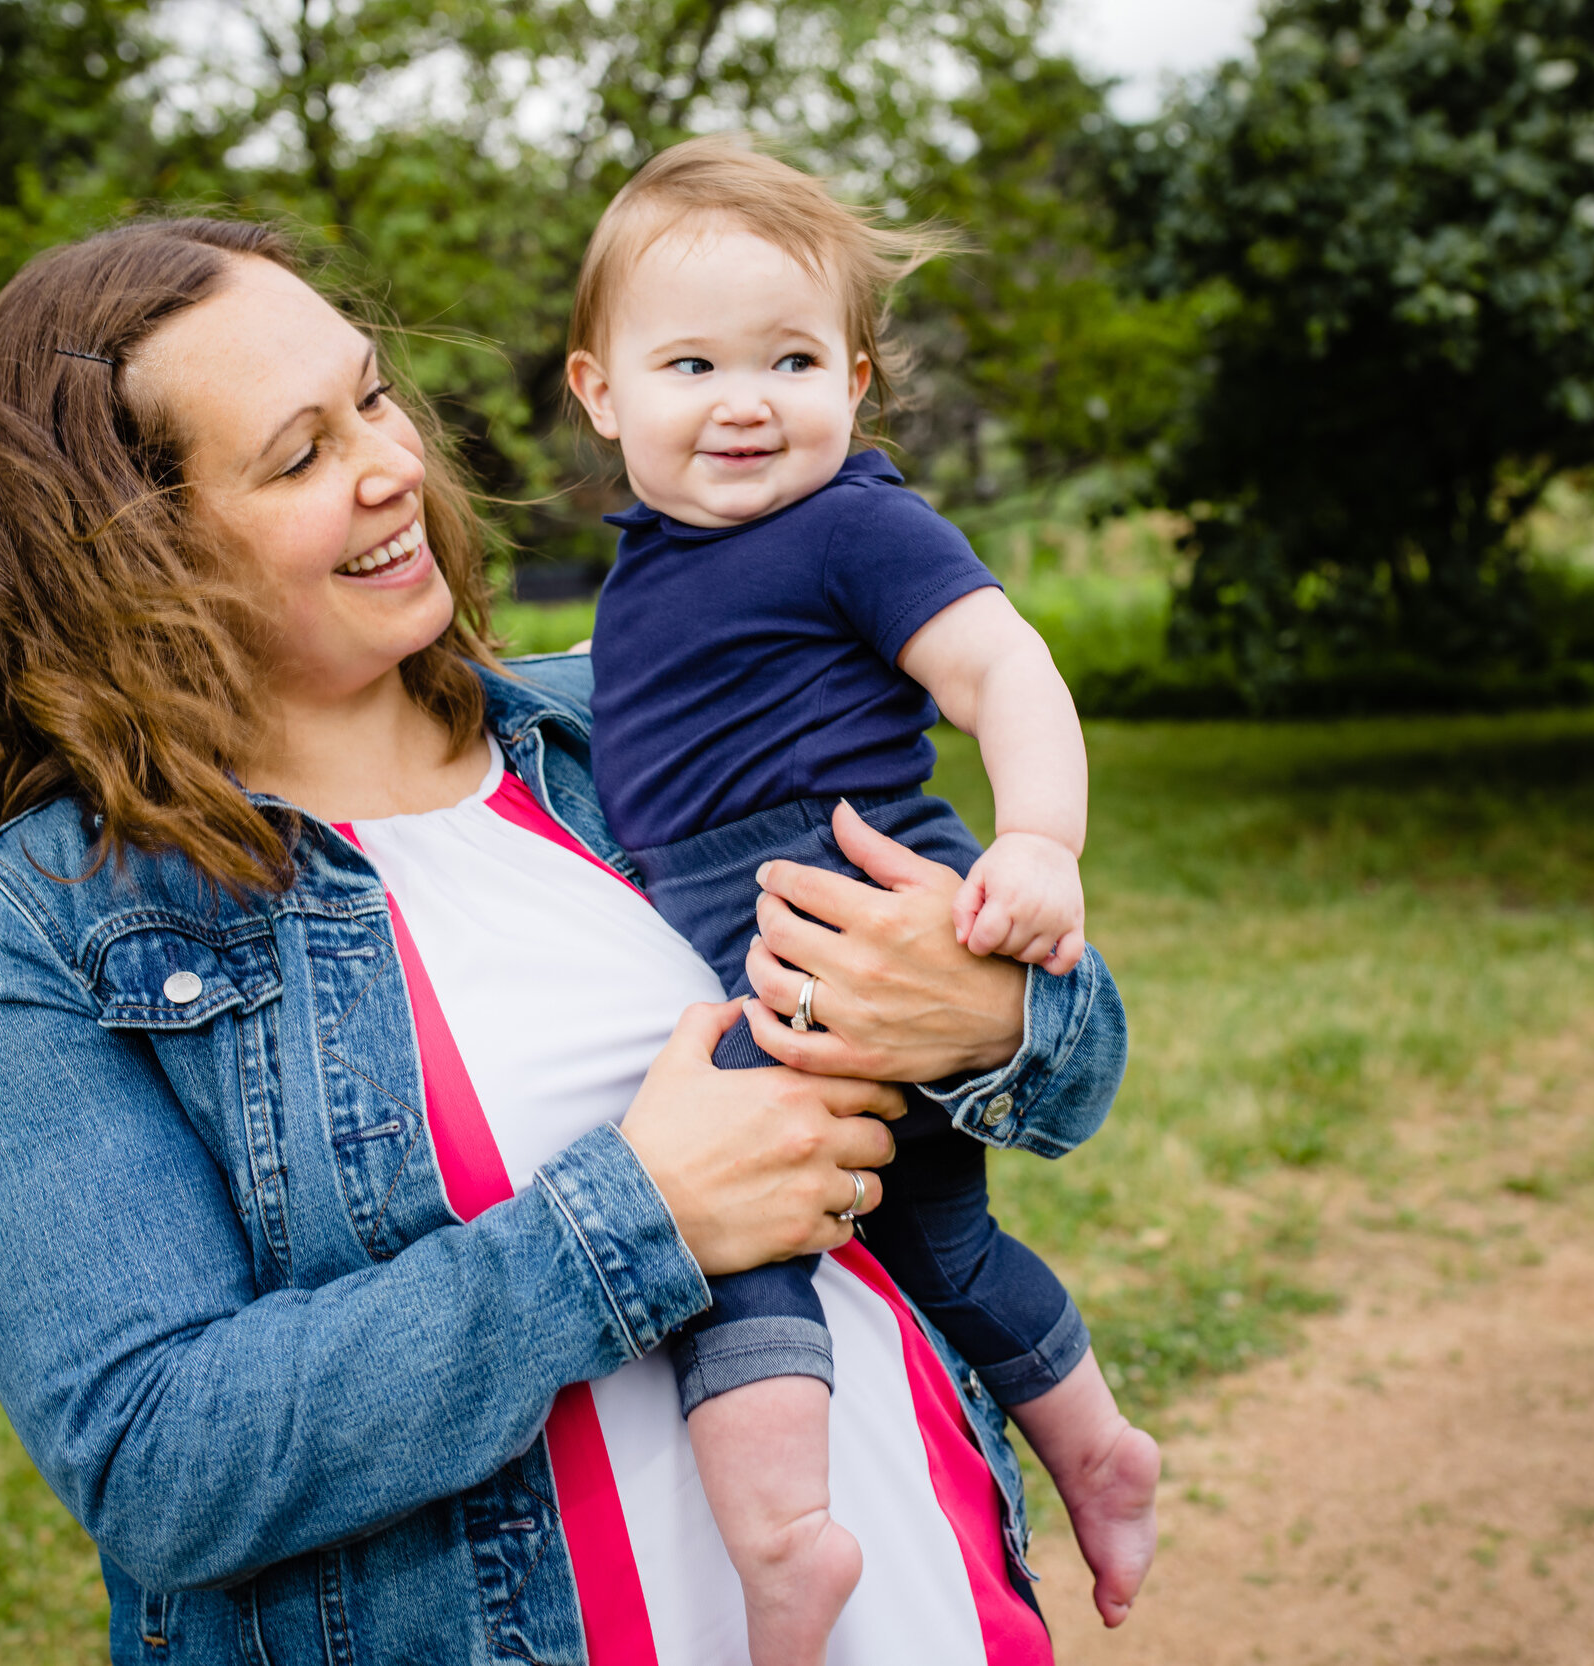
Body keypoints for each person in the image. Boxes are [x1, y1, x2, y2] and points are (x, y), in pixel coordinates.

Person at [0, 214, 1132, 1666]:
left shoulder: (632, 722)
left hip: (927, 1602)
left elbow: (1070, 1050)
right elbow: (160, 1461)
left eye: (372, 396)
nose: (392, 466)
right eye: (300, 454)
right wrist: (638, 1217)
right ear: (135, 557)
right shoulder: (49, 924)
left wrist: (991, 1012)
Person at [563, 136, 1159, 1661]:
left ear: (859, 382)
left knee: (730, 1224)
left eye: (792, 358)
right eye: (692, 361)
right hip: (754, 925)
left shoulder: (853, 525)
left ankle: (782, 1545)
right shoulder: (642, 571)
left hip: (851, 902)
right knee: (938, 1241)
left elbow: (1002, 666)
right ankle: (1094, 1446)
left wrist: (1038, 842)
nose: (746, 397)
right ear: (599, 390)